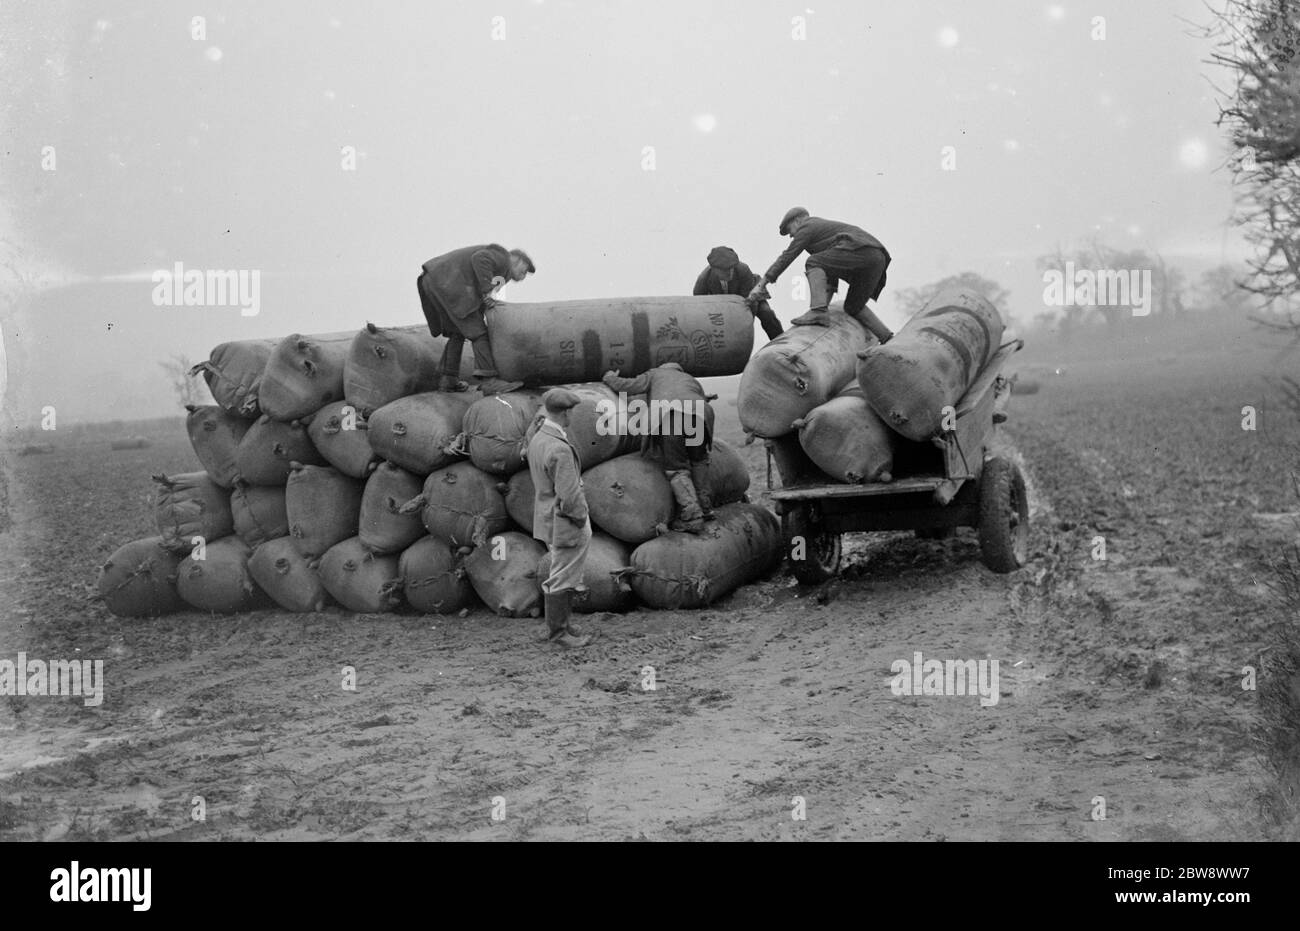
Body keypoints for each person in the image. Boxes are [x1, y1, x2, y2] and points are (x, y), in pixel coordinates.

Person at [747, 207, 894, 340]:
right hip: (876, 258)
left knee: (812, 261)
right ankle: (887, 338)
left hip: (862, 249)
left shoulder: (808, 226)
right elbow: (830, 274)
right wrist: (825, 306)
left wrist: (762, 284)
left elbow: (788, 256)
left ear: (798, 220)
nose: (791, 236)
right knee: (853, 307)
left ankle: (818, 311)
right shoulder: (823, 237)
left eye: (789, 229)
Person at [601, 362, 714, 534]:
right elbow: (700, 397)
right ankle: (706, 508)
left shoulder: (655, 374)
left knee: (676, 469)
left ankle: (693, 516)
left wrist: (610, 378)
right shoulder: (689, 378)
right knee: (698, 460)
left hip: (671, 416)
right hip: (698, 415)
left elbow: (630, 386)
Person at [416, 243, 535, 396]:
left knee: (457, 332)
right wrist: (486, 292)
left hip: (434, 280)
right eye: (524, 271)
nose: (523, 277)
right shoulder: (503, 257)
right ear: (518, 260)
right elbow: (480, 259)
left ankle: (448, 379)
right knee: (479, 334)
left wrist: (485, 299)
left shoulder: (498, 273)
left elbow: (478, 293)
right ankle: (489, 381)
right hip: (447, 282)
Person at [527, 388, 593, 649]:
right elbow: (569, 494)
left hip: (546, 516)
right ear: (565, 412)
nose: (572, 416)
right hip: (564, 521)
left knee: (560, 570)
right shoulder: (559, 448)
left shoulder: (538, 437)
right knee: (563, 575)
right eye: (571, 412)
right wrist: (580, 518)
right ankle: (559, 634)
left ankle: (562, 625)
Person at [693, 246, 784, 341]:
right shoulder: (704, 279)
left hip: (752, 296)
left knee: (766, 313)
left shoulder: (743, 269)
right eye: (725, 270)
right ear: (714, 269)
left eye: (731, 269)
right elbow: (699, 308)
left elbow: (751, 304)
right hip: (724, 306)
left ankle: (781, 342)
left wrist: (746, 328)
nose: (730, 273)